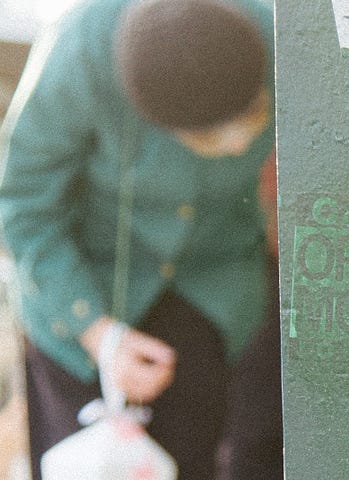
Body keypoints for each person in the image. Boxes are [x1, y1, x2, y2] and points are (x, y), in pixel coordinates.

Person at [0, 0, 280, 478]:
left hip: (216, 290)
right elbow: (22, 206)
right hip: (82, 287)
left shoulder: (276, 29)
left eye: (246, 120)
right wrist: (96, 331)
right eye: (210, 137)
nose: (238, 146)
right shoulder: (79, 51)